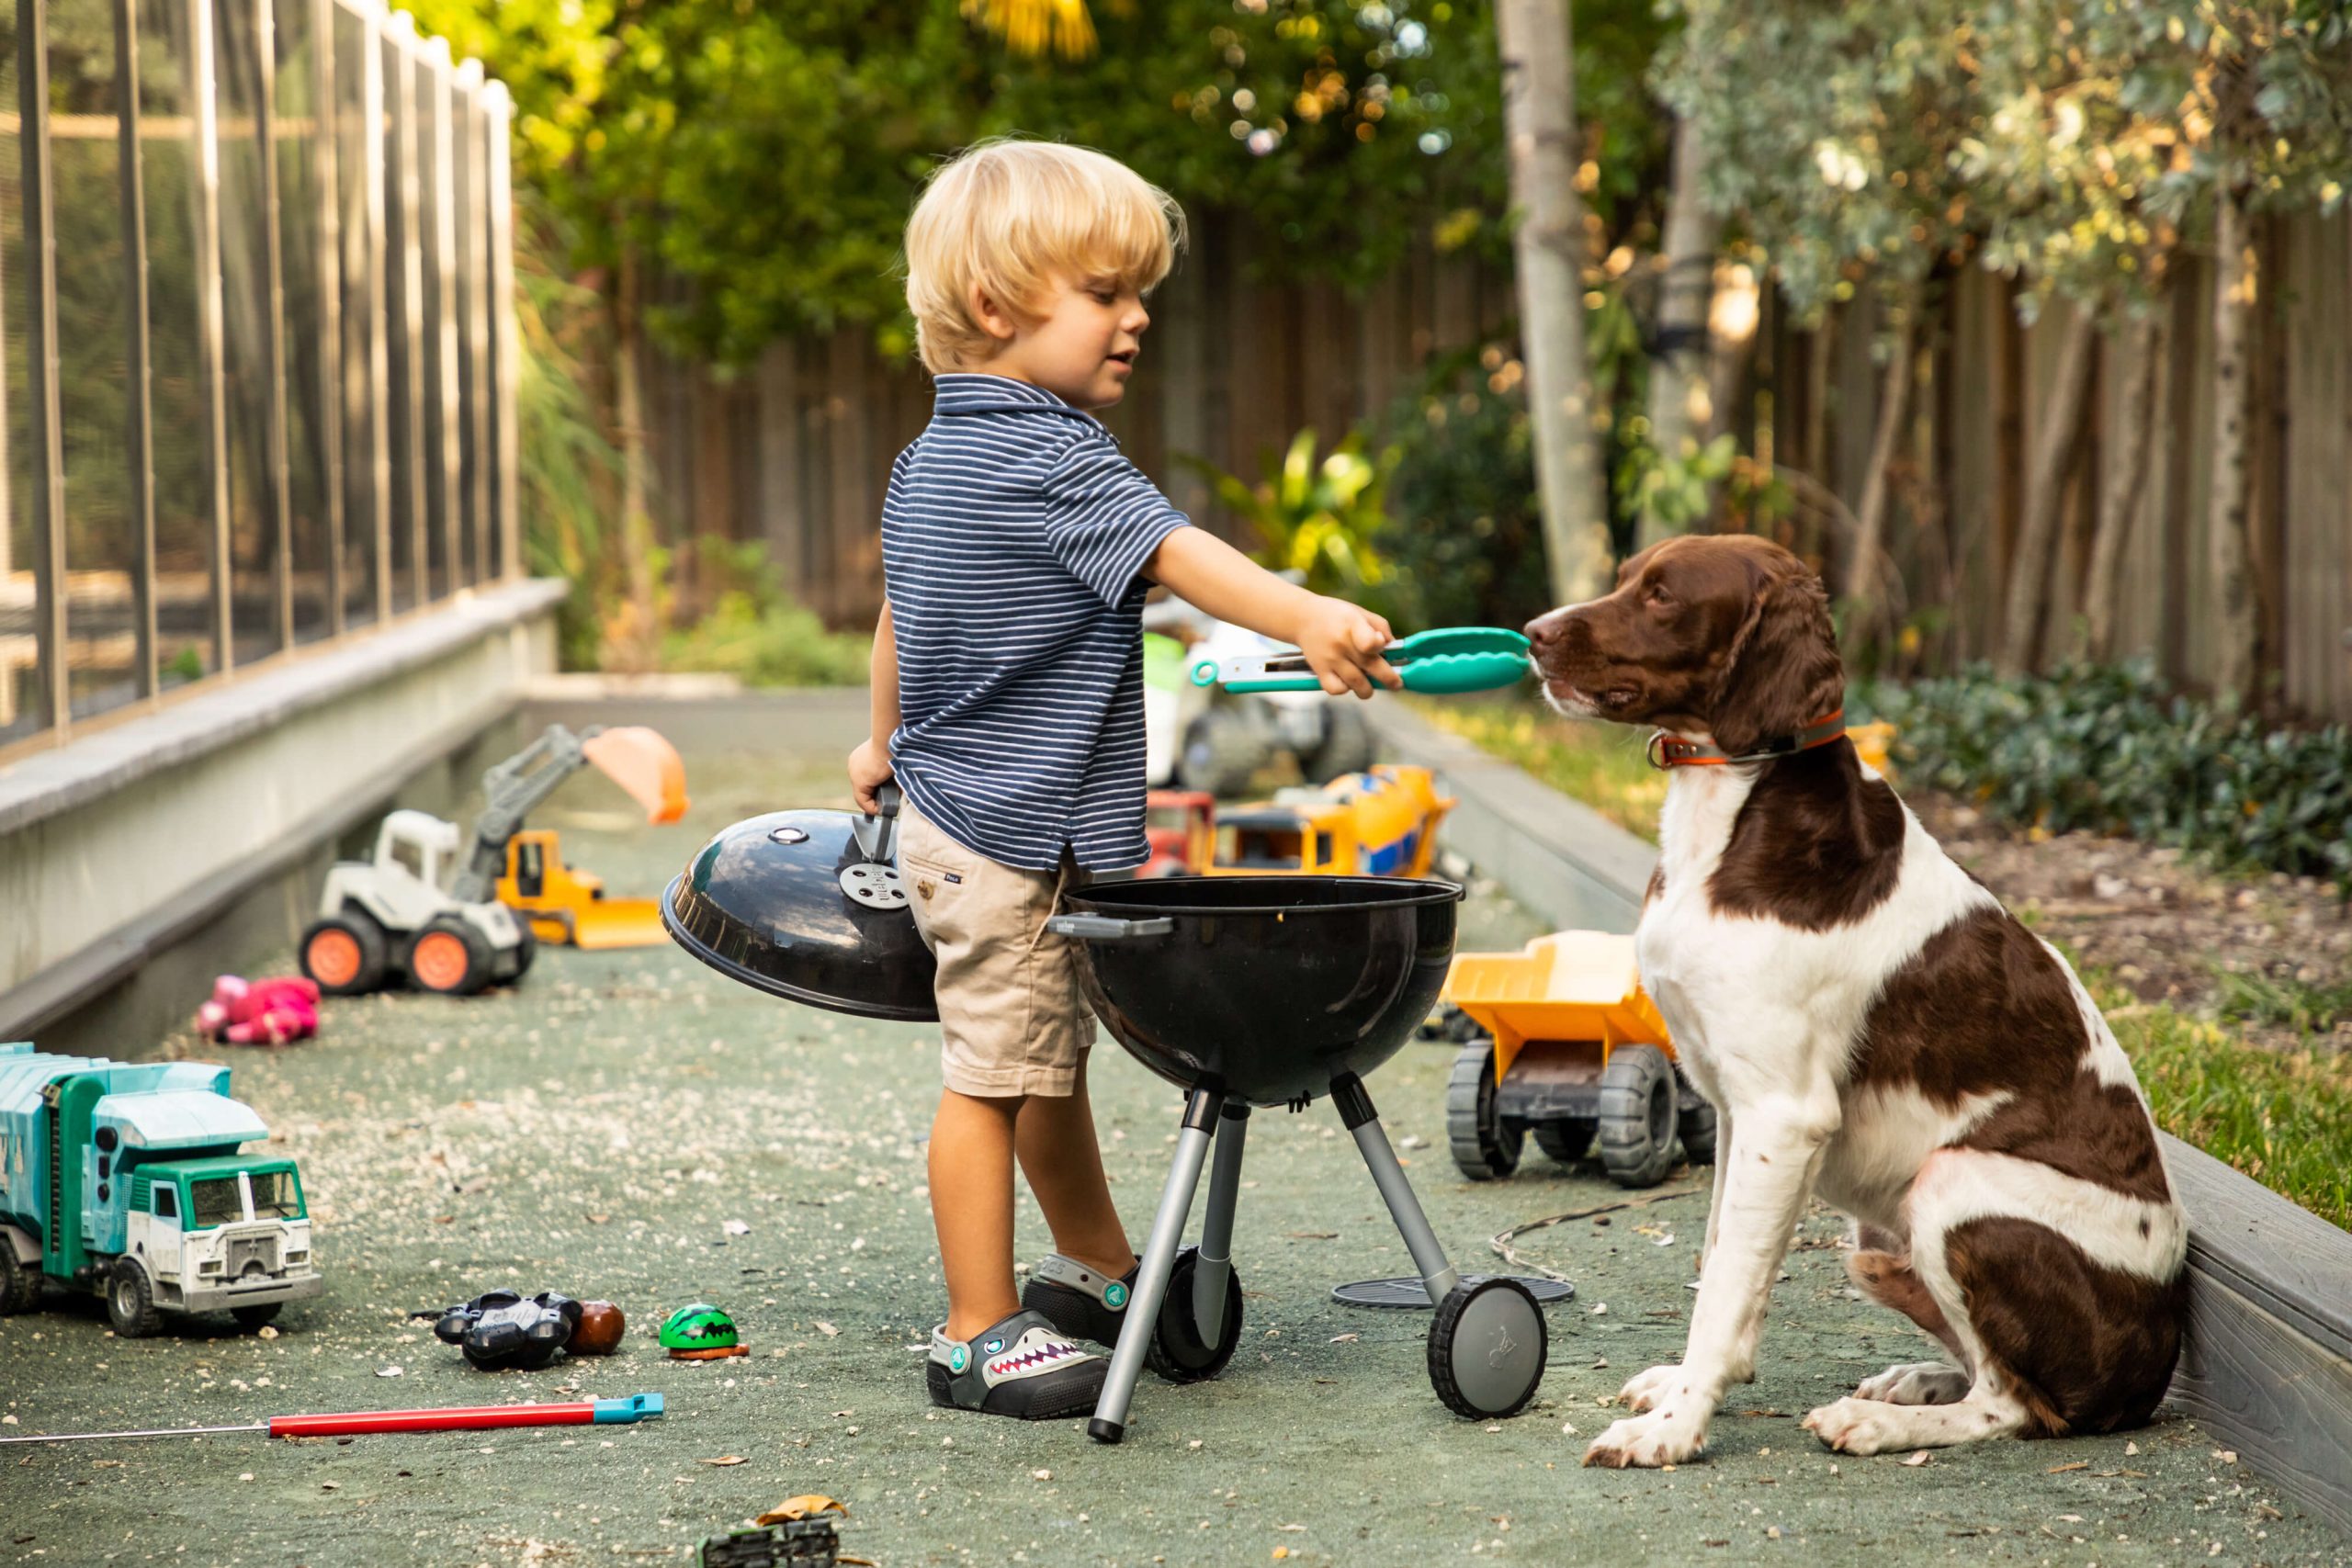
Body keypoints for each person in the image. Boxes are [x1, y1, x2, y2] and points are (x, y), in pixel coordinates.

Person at [850, 137, 1399, 1420]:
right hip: (1001, 833)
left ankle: (1095, 1267)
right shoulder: (1053, 454)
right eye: (1106, 292)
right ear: (998, 308)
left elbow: (899, 611)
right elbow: (1177, 551)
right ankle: (975, 1332)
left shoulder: (934, 456)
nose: (1137, 317)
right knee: (992, 1079)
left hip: (958, 810)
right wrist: (1304, 613)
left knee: (1042, 1060)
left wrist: (880, 740)